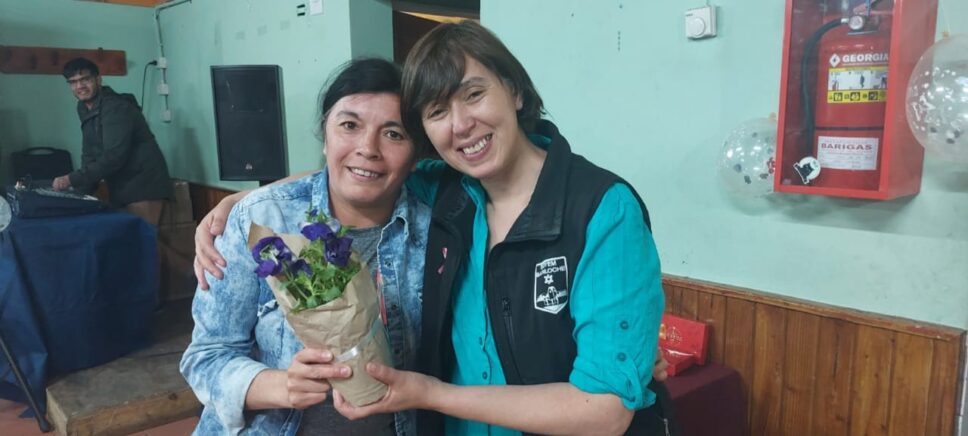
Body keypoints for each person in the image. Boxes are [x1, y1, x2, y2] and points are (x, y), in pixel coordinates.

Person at [194, 23, 671, 435]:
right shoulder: (450, 193)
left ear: (515, 91)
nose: (461, 124)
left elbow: (606, 408)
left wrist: (430, 393)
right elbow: (360, 169)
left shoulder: (591, 208)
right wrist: (241, 205)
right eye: (438, 111)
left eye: (474, 94)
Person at [179, 58, 430, 435]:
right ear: (325, 135)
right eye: (349, 125)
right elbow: (205, 357)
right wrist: (281, 386)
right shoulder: (262, 220)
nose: (368, 148)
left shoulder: (435, 234)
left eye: (394, 134)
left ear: (416, 154)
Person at [53, 57, 172, 226]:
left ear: (98, 79)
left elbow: (114, 156)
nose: (79, 86)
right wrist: (79, 194)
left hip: (143, 185)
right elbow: (90, 153)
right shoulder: (84, 108)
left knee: (142, 238)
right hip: (120, 186)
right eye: (73, 82)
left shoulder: (116, 107)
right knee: (128, 239)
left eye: (85, 79)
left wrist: (71, 179)